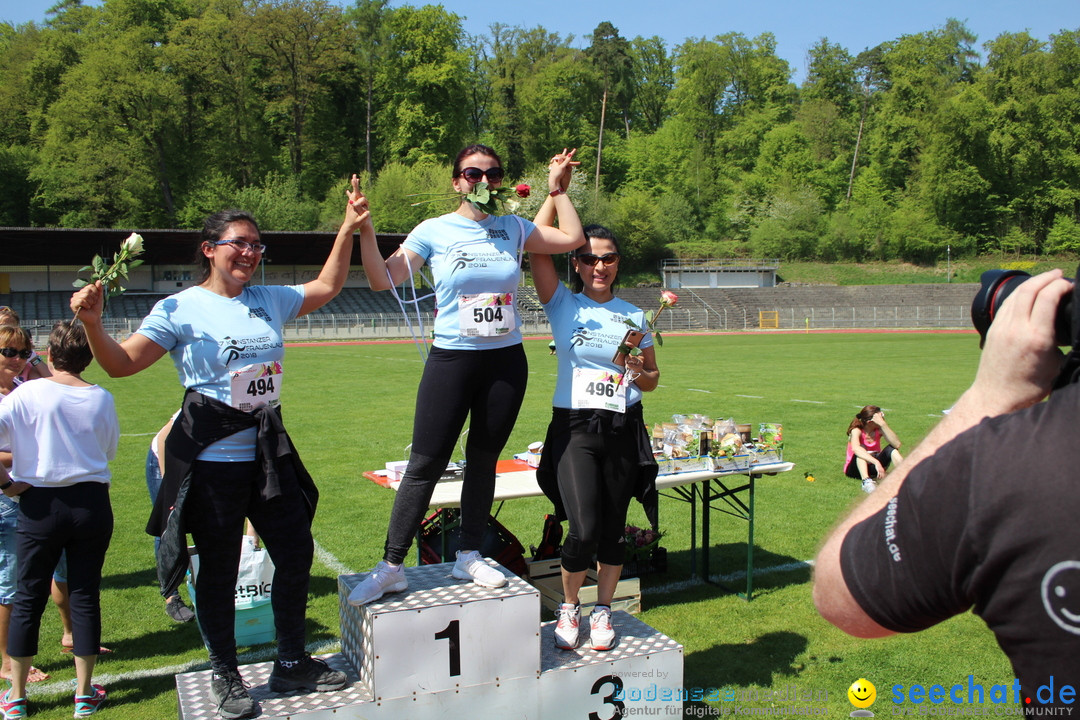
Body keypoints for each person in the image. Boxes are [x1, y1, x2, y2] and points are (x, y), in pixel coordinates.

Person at [68, 180, 372, 720]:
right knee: (218, 571)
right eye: (239, 243)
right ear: (210, 248)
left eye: (257, 245)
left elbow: (328, 284)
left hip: (268, 455)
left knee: (295, 552)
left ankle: (292, 660)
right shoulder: (179, 308)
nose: (250, 253)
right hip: (211, 464)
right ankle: (226, 676)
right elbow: (120, 365)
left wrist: (347, 228)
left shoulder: (268, 299)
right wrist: (93, 324)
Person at [814, 269, 1080, 709]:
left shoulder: (1010, 464)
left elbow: (840, 595)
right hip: (863, 465)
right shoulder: (857, 433)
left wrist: (988, 396)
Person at [349, 144, 585, 605]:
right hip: (452, 361)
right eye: (472, 173)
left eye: (493, 174)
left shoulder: (513, 228)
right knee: (426, 464)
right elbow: (383, 279)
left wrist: (557, 188)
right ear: (457, 181)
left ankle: (469, 553)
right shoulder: (434, 230)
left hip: (505, 362)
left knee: (483, 458)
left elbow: (572, 238)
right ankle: (391, 565)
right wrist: (365, 228)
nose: (483, 180)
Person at [530, 185, 660, 651]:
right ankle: (570, 607)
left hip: (624, 428)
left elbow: (652, 380)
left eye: (607, 258)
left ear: (618, 263)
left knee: (611, 528)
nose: (598, 266)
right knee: (582, 528)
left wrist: (639, 368)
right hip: (575, 428)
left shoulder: (637, 315)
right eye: (588, 258)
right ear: (576, 264)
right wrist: (555, 191)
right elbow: (534, 242)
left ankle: (603, 611)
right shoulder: (563, 303)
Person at [0, 320, 118, 719]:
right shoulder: (101, 397)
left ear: (49, 355)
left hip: (39, 504)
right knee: (85, 594)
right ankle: (84, 693)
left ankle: (15, 696)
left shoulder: (27, 393)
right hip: (90, 504)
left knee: (27, 595)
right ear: (89, 359)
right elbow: (109, 449)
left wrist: (7, 486)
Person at [843, 405, 903, 493]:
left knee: (892, 449)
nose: (882, 418)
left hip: (873, 468)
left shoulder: (879, 430)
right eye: (880, 417)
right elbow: (856, 449)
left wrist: (883, 424)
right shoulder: (856, 430)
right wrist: (876, 462)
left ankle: (907, 475)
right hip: (855, 470)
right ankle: (866, 482)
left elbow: (897, 444)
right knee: (861, 449)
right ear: (870, 421)